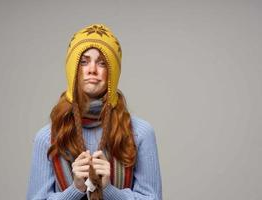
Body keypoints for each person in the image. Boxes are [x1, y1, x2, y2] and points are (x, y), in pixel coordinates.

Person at [26, 24, 162, 200]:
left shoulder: (140, 133)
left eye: (102, 63)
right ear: (72, 69)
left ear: (112, 72)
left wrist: (109, 190)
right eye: (83, 61)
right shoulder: (47, 138)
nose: (92, 69)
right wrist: (76, 189)